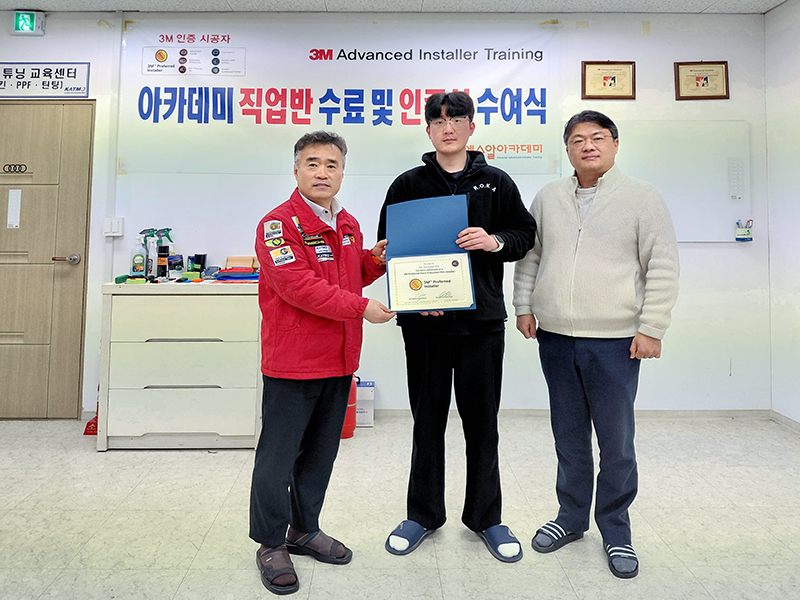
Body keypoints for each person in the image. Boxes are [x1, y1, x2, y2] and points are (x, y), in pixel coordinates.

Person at [513, 110, 680, 579]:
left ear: (615, 144)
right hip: (556, 338)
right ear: (567, 148)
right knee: (568, 437)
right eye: (578, 139)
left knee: (616, 443)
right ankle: (570, 518)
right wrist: (523, 305)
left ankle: (616, 530)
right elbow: (531, 257)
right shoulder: (548, 197)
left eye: (598, 137)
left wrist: (652, 327)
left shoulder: (642, 198)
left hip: (616, 341)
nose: (588, 145)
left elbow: (662, 265)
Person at [377, 92, 537, 563]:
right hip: (424, 326)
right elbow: (389, 247)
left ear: (471, 126)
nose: (448, 128)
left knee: (482, 425)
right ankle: (423, 515)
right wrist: (411, 296)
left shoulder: (496, 182)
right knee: (426, 423)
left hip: (481, 324)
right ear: (427, 129)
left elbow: (524, 235)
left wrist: (494, 240)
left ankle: (486, 518)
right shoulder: (407, 184)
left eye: (457, 119)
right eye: (439, 120)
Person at [250, 131, 395, 595]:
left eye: (331, 165)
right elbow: (300, 287)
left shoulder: (347, 223)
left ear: (342, 173)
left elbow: (347, 274)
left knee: (319, 456)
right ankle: (270, 542)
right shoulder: (278, 225)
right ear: (296, 170)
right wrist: (361, 307)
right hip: (293, 363)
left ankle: (304, 529)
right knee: (278, 459)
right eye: (312, 163)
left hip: (339, 359)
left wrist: (375, 261)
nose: (322, 172)